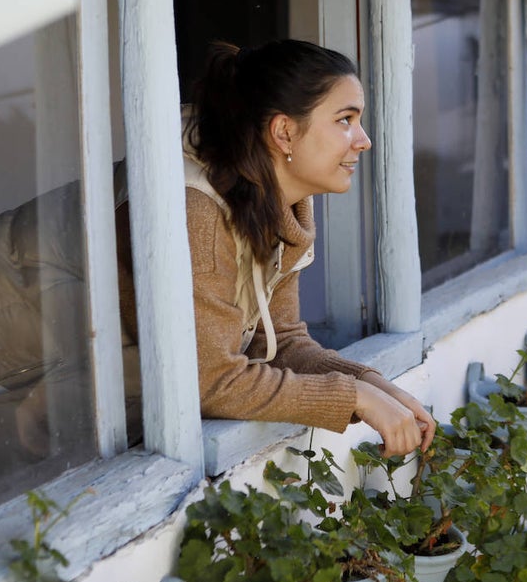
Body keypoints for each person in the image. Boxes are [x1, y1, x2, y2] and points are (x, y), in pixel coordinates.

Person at [117, 39, 434, 457]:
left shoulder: (274, 200)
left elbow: (278, 341)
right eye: (345, 120)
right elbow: (209, 382)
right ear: (284, 132)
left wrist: (371, 383)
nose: (364, 140)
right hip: (15, 382)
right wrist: (352, 397)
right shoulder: (194, 208)